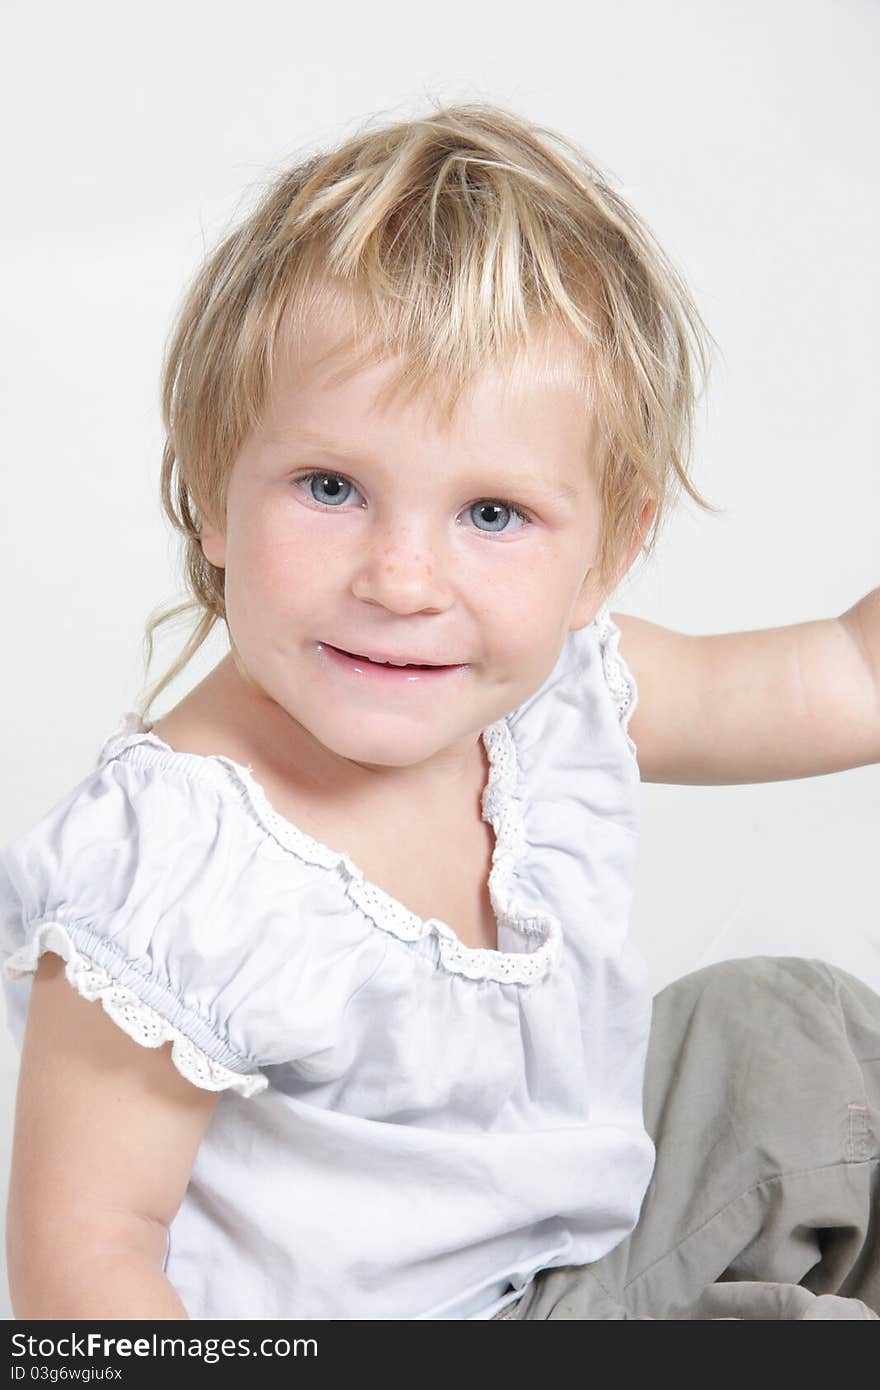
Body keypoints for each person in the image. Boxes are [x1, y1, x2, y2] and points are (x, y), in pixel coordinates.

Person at [1, 101, 878, 1322]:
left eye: (492, 515)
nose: (402, 580)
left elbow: (844, 674)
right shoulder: (175, 871)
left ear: (605, 558)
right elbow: (78, 1268)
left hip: (572, 1250)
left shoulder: (548, 702)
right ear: (207, 489)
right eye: (330, 487)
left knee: (792, 1029)